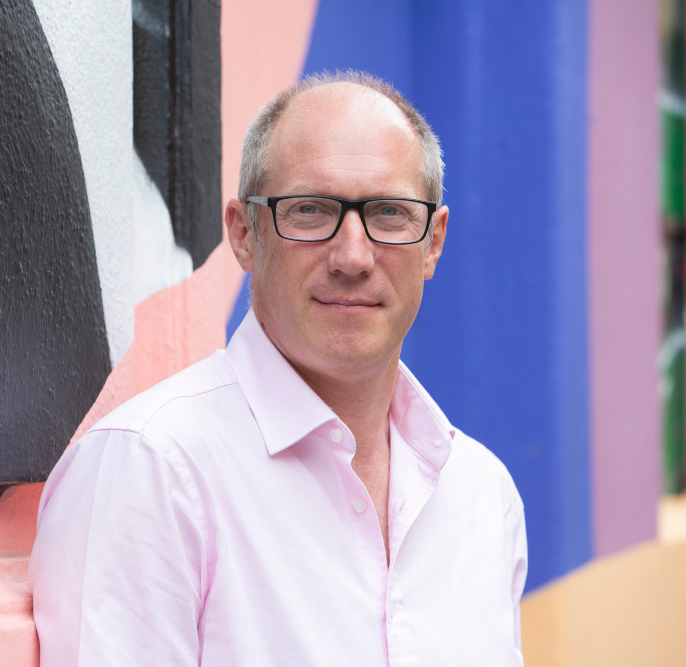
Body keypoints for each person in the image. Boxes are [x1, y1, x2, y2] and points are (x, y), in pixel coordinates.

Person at [29, 71, 527, 666]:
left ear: (433, 242)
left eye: (390, 213)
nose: (353, 257)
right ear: (244, 235)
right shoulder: (151, 470)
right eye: (311, 211)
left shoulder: (479, 494)